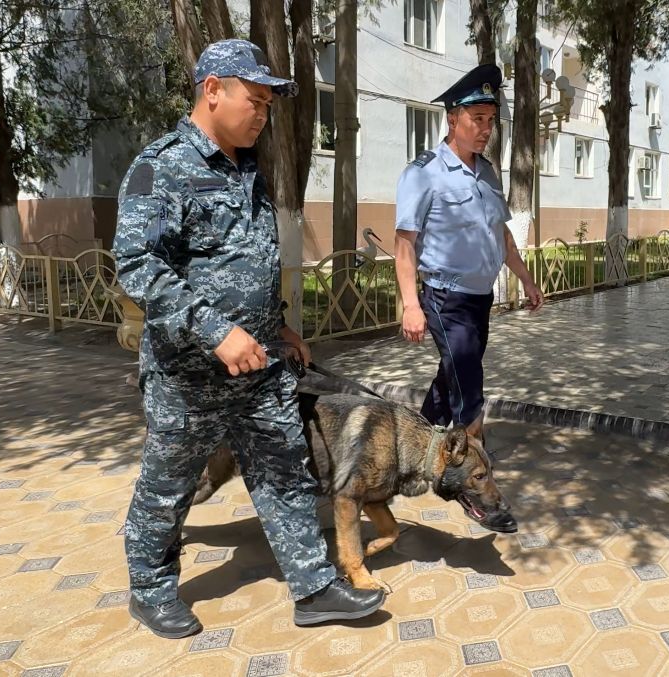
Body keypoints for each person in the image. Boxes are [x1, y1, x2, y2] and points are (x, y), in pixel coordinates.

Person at [112, 38, 384, 639]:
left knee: (284, 472)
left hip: (257, 366)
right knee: (169, 485)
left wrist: (277, 324)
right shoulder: (162, 166)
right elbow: (137, 266)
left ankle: (314, 587)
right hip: (189, 375)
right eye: (254, 100)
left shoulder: (245, 168)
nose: (262, 114)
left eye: (267, 104)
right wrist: (216, 332)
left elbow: (247, 263)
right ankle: (150, 590)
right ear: (213, 90)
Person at [394, 63, 544, 440]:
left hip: (480, 299)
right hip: (446, 298)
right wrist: (411, 305)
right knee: (469, 389)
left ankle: (415, 444)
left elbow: (501, 235)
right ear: (452, 119)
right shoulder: (423, 173)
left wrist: (527, 280)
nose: (486, 129)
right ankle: (473, 466)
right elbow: (404, 243)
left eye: (490, 120)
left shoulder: (487, 172)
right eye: (477, 119)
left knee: (453, 378)